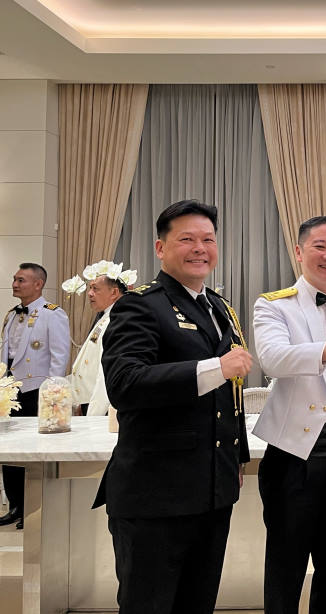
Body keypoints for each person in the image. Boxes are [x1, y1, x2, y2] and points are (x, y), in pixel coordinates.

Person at [93, 200, 252, 614]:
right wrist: (215, 367)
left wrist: (236, 459)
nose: (200, 248)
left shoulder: (219, 307)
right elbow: (125, 384)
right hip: (156, 493)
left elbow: (229, 399)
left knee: (197, 602)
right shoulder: (140, 305)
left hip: (212, 490)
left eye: (208, 239)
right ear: (161, 248)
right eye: (187, 239)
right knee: (149, 604)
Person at [253, 215, 326, 614]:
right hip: (294, 454)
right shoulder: (275, 305)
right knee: (286, 565)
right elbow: (272, 359)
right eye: (320, 246)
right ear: (299, 251)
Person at [0, 263, 70, 530]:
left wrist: (52, 394)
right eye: (15, 279)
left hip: (36, 392)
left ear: (38, 284)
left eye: (21, 280)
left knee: (32, 453)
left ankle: (33, 508)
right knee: (10, 452)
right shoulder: (11, 314)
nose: (15, 284)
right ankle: (16, 506)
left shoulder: (53, 314)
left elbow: (59, 357)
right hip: (10, 392)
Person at [67, 264, 132, 416]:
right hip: (88, 402)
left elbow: (105, 373)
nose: (89, 294)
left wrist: (94, 415)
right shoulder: (106, 316)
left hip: (100, 406)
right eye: (89, 288)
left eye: (95, 289)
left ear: (114, 292)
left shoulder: (118, 320)